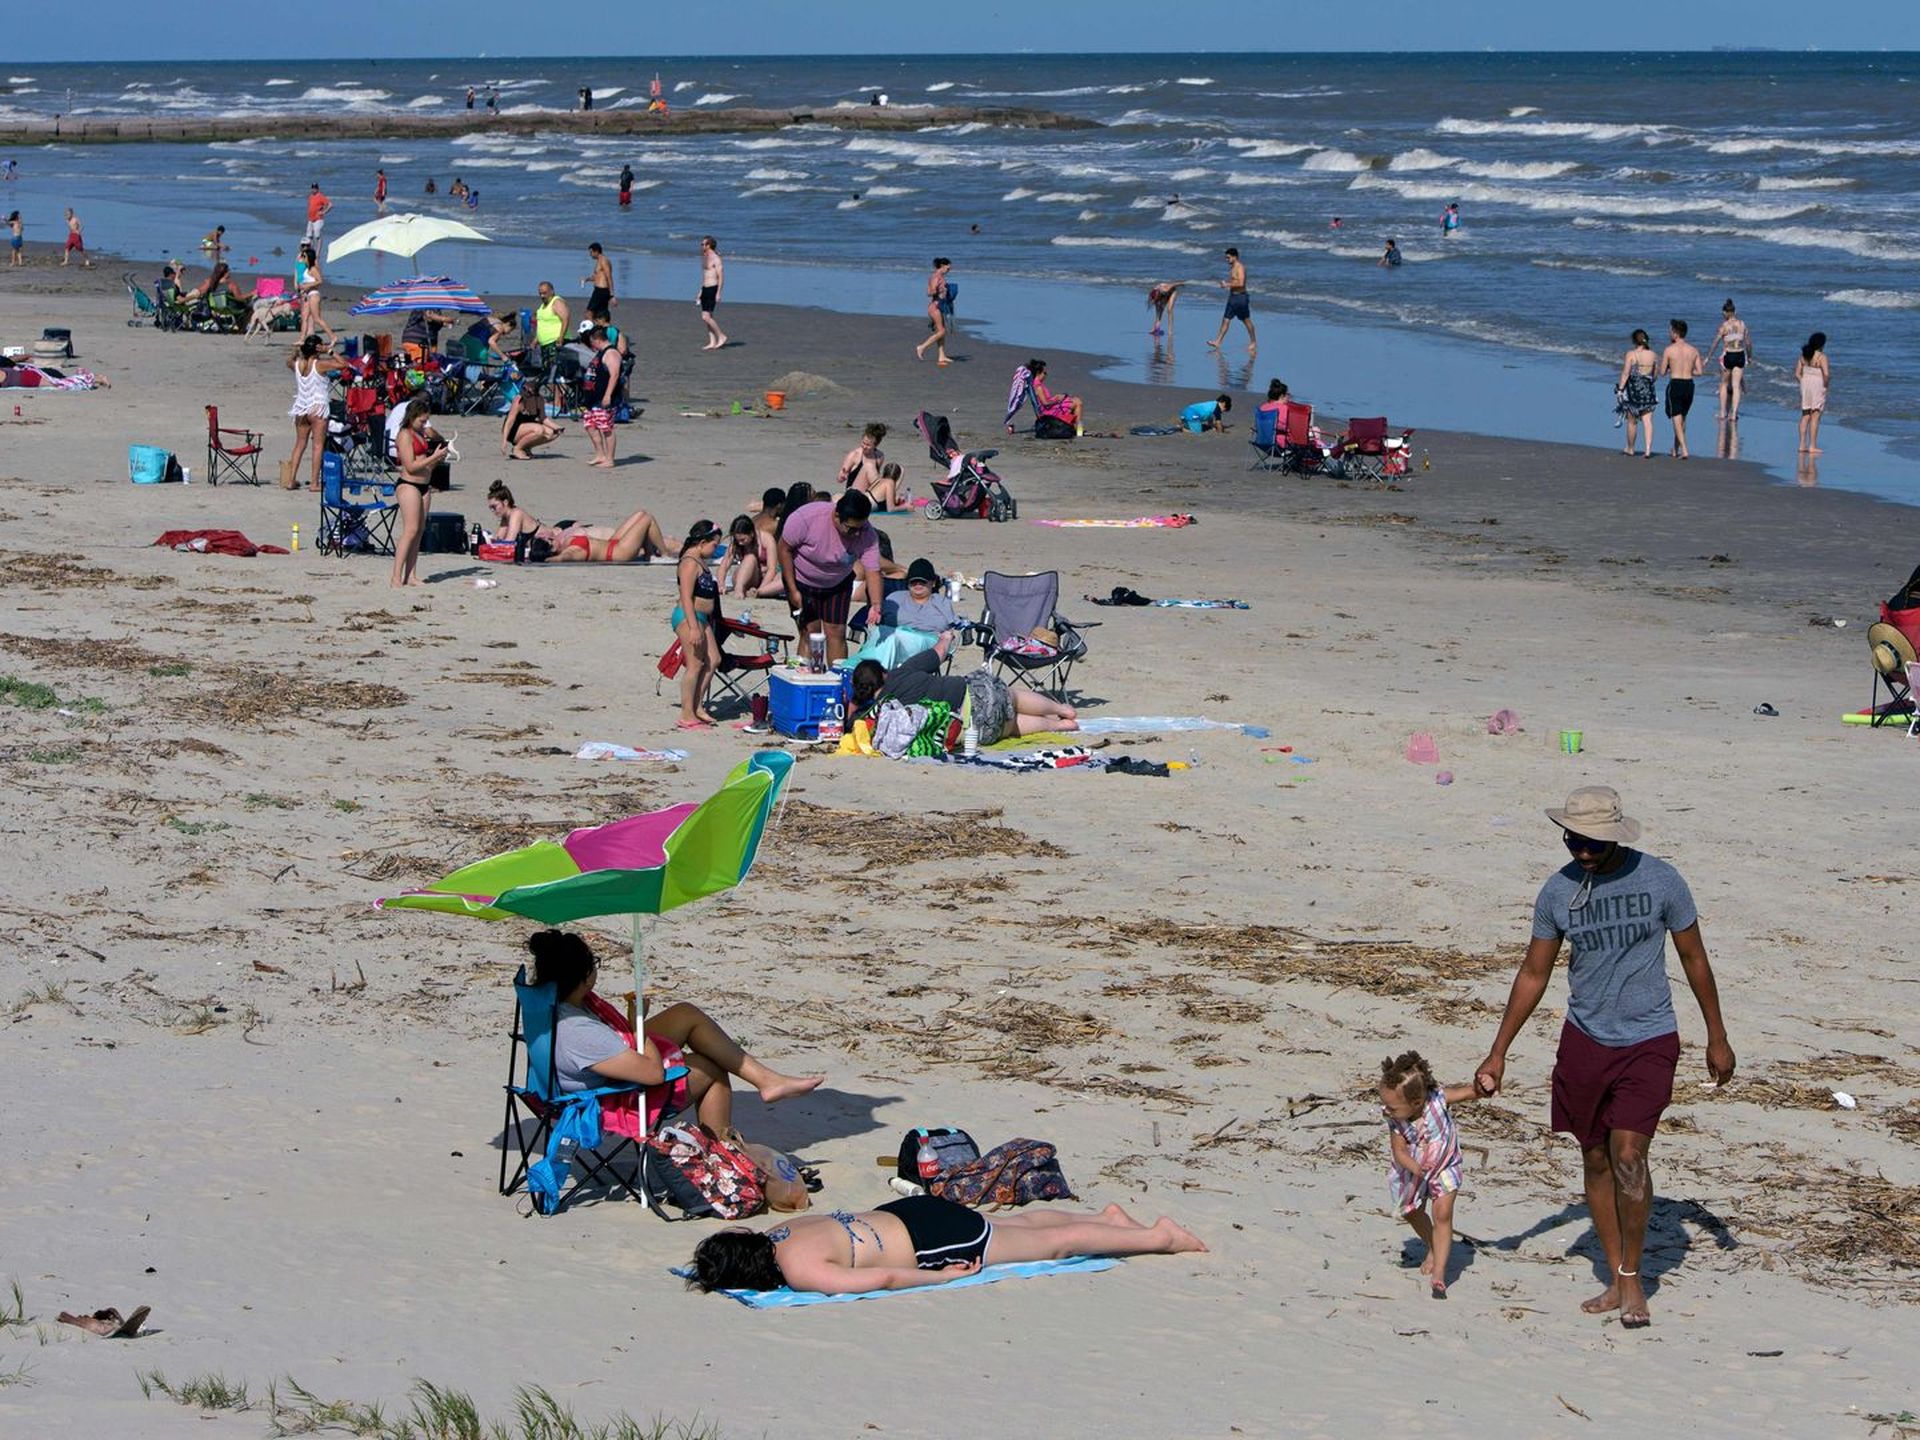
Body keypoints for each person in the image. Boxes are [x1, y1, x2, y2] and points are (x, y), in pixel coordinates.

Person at [1473, 786, 1734, 1330]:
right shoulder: (1557, 892)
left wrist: (1717, 1035)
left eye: (1593, 842)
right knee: (1594, 1158)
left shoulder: (1663, 880)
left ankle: (1632, 1276)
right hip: (1585, 1039)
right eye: (1573, 840)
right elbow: (1534, 973)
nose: (1582, 851)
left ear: (1615, 836)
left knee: (1630, 1158)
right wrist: (1498, 1052)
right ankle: (1616, 1277)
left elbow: (1693, 957)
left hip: (1650, 1038)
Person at [529, 929, 822, 1138]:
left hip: (590, 1069)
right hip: (604, 1098)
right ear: (582, 977)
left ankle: (767, 1080)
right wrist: (637, 1023)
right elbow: (653, 1074)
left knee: (685, 1014)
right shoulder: (579, 1032)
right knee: (710, 1067)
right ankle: (721, 1155)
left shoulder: (551, 1003)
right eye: (594, 965)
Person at [688, 1196, 1204, 1296]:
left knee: (1052, 1246)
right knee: (1018, 1226)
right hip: (905, 1213)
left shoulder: (800, 1270)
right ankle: (1106, 1218)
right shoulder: (780, 1234)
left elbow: (882, 1278)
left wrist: (943, 1276)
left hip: (926, 1241)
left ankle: (1158, 1238)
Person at [851, 630, 1078, 741]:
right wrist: (946, 637)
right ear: (884, 673)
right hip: (974, 691)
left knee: (1010, 725)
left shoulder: (880, 713)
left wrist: (853, 702)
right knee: (1012, 697)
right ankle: (1062, 710)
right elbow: (937, 654)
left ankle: (1057, 726)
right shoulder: (902, 672)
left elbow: (852, 722)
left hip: (970, 726)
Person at [1379, 1051, 1480, 1300]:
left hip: (1445, 1166)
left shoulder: (1438, 1099)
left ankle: (1440, 1274)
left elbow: (1469, 1092)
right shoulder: (1396, 1122)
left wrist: (1485, 1086)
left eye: (1391, 1106)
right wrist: (1414, 1167)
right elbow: (1399, 1150)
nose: (1385, 1110)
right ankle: (1432, 1246)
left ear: (1415, 1103)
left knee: (1442, 1214)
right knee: (1412, 1212)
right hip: (1415, 1171)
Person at [778, 491, 885, 665]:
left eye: (860, 528)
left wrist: (876, 605)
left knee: (836, 632)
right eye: (851, 529)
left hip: (838, 583)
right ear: (836, 515)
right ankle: (807, 678)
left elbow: (873, 570)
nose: (857, 534)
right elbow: (784, 549)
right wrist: (792, 590)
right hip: (801, 581)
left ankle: (837, 680)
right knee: (810, 633)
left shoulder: (867, 534)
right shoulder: (806, 518)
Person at [390, 399, 448, 588]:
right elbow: (411, 466)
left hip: (424, 486)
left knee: (419, 531)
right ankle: (396, 577)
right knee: (410, 530)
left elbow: (425, 463)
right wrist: (433, 457)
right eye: (422, 421)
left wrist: (437, 459)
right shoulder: (405, 435)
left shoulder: (420, 434)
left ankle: (411, 575)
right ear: (412, 417)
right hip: (409, 485)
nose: (424, 424)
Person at [672, 519, 724, 728]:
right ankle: (687, 714)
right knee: (695, 664)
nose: (715, 549)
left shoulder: (700, 560)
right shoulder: (689, 562)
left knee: (714, 659)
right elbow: (685, 597)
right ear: (702, 542)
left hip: (702, 619)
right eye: (714, 545)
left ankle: (697, 705)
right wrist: (693, 627)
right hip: (688, 617)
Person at [284, 335, 341, 492]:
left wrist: (296, 351)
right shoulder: (320, 364)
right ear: (317, 348)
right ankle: (314, 483)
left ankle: (291, 480)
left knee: (300, 444)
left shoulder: (297, 364)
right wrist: (330, 351)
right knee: (317, 445)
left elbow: (288, 361)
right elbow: (344, 364)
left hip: (301, 407)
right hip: (318, 407)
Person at [541, 509, 674, 564]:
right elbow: (565, 557)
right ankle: (665, 554)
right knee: (647, 519)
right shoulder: (571, 551)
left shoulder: (565, 543)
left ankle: (649, 555)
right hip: (619, 553)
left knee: (641, 513)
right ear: (552, 550)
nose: (551, 539)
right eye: (550, 542)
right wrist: (551, 559)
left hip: (613, 544)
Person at [1657, 319, 1703, 460]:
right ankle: (1675, 449)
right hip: (1689, 384)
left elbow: (1662, 372)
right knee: (1682, 419)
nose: (1669, 333)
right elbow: (1699, 372)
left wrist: (1671, 366)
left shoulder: (1669, 350)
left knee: (1676, 419)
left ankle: (1684, 449)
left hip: (1676, 383)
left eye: (1670, 331)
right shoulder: (1693, 350)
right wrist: (1688, 370)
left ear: (1676, 333)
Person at [579, 323, 620, 469]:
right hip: (592, 398)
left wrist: (608, 395)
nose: (592, 344)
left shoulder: (611, 353)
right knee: (590, 425)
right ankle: (600, 454)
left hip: (604, 397)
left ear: (597, 340)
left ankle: (610, 459)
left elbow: (614, 375)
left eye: (592, 341)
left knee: (606, 427)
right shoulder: (600, 352)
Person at [881, 558, 958, 633]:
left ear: (933, 583)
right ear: (907, 582)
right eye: (913, 581)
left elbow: (954, 625)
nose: (918, 584)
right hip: (896, 638)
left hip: (932, 640)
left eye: (922, 581)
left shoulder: (941, 602)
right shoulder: (895, 598)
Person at [1708, 298, 1751, 421]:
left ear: (1725, 312)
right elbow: (1748, 343)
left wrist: (1709, 356)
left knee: (1724, 384)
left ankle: (1722, 413)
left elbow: (1715, 342)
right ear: (1735, 312)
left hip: (1729, 355)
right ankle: (1734, 414)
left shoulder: (1724, 326)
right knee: (1736, 386)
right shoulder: (1742, 324)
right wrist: (1750, 356)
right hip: (1740, 355)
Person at [1616, 329, 1657, 459]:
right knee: (1648, 421)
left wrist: (1620, 390)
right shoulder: (1653, 354)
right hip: (1648, 391)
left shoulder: (1631, 354)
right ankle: (1648, 450)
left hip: (1633, 391)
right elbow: (1655, 375)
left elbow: (1625, 373)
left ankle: (1630, 448)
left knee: (1632, 421)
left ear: (1634, 340)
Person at [500, 382, 564, 459]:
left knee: (552, 433)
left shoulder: (539, 400)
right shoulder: (518, 400)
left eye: (529, 391)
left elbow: (543, 419)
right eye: (524, 389)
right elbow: (509, 421)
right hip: (513, 431)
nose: (526, 392)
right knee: (539, 430)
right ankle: (517, 449)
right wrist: (504, 441)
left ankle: (525, 448)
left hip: (527, 428)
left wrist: (558, 427)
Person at [1208, 246, 1254, 353]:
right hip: (1232, 297)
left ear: (1235, 257)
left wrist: (1227, 284)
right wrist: (1226, 285)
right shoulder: (1232, 268)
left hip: (1240, 298)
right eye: (1226, 258)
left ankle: (1253, 341)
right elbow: (1234, 282)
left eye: (1228, 258)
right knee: (1225, 320)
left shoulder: (1240, 267)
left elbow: (1241, 283)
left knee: (1246, 321)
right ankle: (1218, 341)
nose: (1227, 260)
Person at [295, 244, 337, 349]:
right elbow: (303, 277)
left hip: (314, 295)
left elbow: (320, 281)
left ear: (308, 258)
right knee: (305, 316)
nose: (302, 258)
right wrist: (303, 287)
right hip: (308, 294)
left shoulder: (313, 268)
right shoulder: (307, 269)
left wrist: (307, 285)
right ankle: (301, 339)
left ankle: (333, 337)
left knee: (316, 319)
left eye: (304, 256)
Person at [914, 257, 952, 365]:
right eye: (948, 268)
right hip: (935, 307)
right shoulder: (936, 277)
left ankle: (942, 356)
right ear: (943, 266)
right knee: (942, 332)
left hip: (939, 306)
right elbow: (929, 293)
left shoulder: (937, 276)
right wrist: (939, 291)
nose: (948, 270)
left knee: (941, 331)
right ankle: (921, 347)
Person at [1796, 331, 1829, 455]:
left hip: (1805, 384)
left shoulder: (1803, 355)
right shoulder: (1821, 357)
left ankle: (1802, 444)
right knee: (1815, 415)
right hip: (1817, 385)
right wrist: (1825, 387)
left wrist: (1803, 381)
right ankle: (1812, 446)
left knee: (1805, 415)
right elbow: (1826, 374)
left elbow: (1797, 373)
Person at [839, 422, 888, 495]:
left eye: (868, 445)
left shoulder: (879, 456)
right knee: (869, 467)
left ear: (876, 445)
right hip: (853, 495)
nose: (864, 446)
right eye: (863, 443)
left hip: (869, 495)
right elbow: (839, 479)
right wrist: (842, 477)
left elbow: (874, 477)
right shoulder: (854, 455)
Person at [698, 235, 727, 350]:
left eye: (703, 244)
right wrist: (700, 290)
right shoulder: (705, 257)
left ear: (709, 245)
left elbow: (721, 277)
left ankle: (721, 336)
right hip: (705, 288)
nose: (701, 246)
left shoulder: (716, 259)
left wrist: (719, 292)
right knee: (708, 316)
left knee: (705, 317)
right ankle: (712, 341)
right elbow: (705, 276)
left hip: (712, 288)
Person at [532, 281, 568, 363]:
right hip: (544, 344)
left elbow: (565, 319)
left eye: (544, 293)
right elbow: (542, 325)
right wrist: (535, 340)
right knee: (546, 369)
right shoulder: (542, 306)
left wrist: (561, 338)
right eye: (540, 293)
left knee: (553, 370)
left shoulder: (557, 302)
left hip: (554, 342)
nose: (542, 296)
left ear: (552, 291)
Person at [583, 242, 614, 321]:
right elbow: (596, 277)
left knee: (589, 313)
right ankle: (601, 331)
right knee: (600, 314)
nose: (590, 254)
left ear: (596, 251)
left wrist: (612, 295)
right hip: (599, 290)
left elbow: (609, 277)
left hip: (601, 291)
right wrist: (587, 279)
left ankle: (593, 331)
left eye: (591, 252)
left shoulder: (603, 260)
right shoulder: (599, 260)